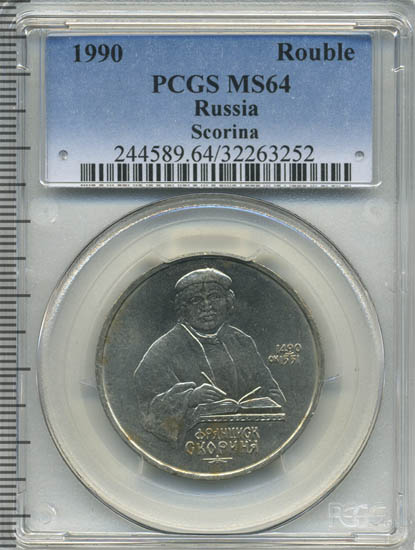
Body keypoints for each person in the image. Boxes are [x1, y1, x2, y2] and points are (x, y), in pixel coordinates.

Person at [133, 267, 285, 445]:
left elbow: (273, 392)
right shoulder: (163, 350)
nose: (207, 306)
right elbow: (148, 412)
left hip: (248, 438)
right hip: (192, 445)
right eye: (195, 300)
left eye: (214, 297)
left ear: (228, 302)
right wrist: (190, 398)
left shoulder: (242, 341)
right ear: (183, 308)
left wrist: (262, 404)